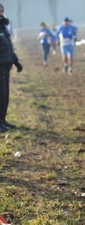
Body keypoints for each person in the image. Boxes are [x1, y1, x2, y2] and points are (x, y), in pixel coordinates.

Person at [0, 3, 23, 133]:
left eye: (2, 9)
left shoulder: (3, 27)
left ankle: (2, 120)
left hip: (6, 66)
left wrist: (16, 61)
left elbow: (8, 47)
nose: (2, 12)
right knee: (0, 95)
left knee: (5, 95)